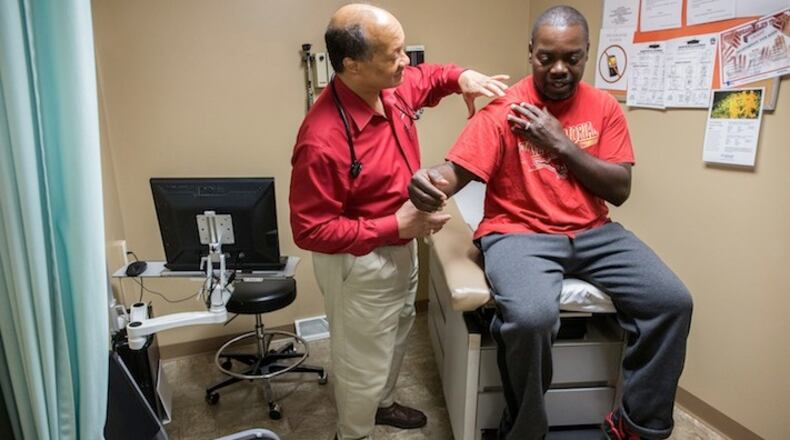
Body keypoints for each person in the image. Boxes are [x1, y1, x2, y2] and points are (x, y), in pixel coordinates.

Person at [408, 6, 693, 440]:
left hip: (594, 232)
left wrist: (561, 144)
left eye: (572, 58)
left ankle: (637, 424)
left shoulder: (603, 108)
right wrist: (426, 182)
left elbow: (619, 188)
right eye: (547, 58)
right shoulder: (503, 110)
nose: (559, 68)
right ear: (531, 53)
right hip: (519, 233)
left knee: (672, 302)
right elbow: (452, 173)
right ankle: (524, 430)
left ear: (586, 54)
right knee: (529, 318)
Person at [289, 4, 509, 439]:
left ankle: (383, 405)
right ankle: (352, 432)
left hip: (401, 244)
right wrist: (394, 227)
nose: (406, 63)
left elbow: (434, 76)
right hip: (359, 260)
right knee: (360, 362)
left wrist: (462, 76)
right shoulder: (322, 140)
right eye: (394, 55)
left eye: (404, 50)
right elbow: (310, 231)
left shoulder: (391, 87)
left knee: (394, 337)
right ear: (352, 64)